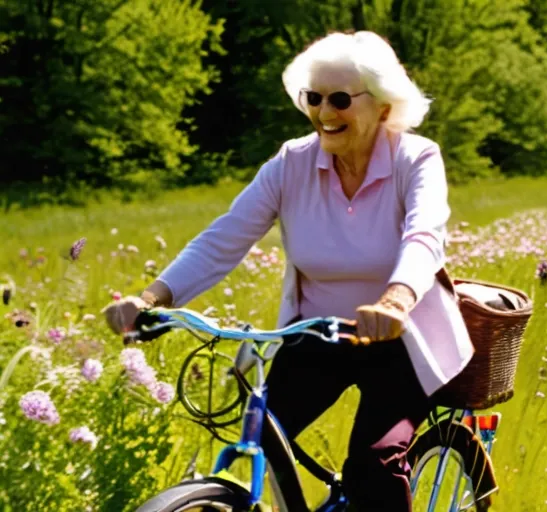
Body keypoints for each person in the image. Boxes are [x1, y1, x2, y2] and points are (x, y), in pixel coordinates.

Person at [102, 30, 473, 510]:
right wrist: (151, 299)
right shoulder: (291, 163)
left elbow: (424, 236)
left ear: (382, 107)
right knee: (261, 436)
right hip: (317, 336)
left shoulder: (416, 158)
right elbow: (224, 238)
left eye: (340, 99)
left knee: (373, 464)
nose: (324, 112)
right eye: (313, 98)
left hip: (400, 342)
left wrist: (395, 300)